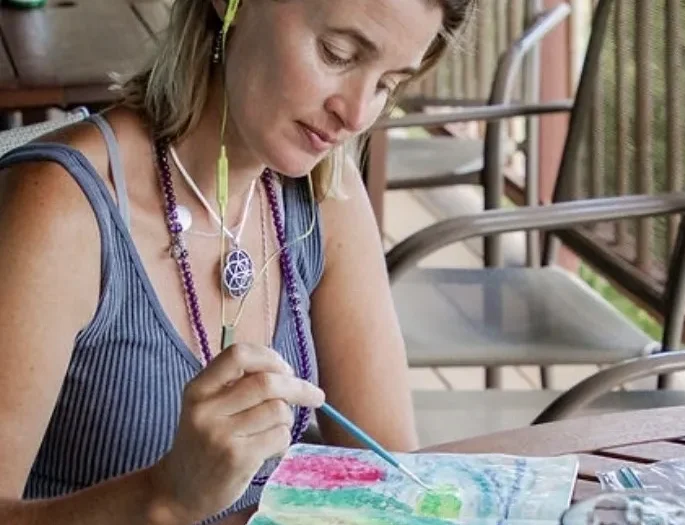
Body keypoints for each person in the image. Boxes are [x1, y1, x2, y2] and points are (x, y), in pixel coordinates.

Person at [0, 0, 476, 523]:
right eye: (336, 54)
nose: (358, 114)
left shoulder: (322, 193)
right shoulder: (60, 209)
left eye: (388, 83)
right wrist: (164, 497)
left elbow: (391, 472)